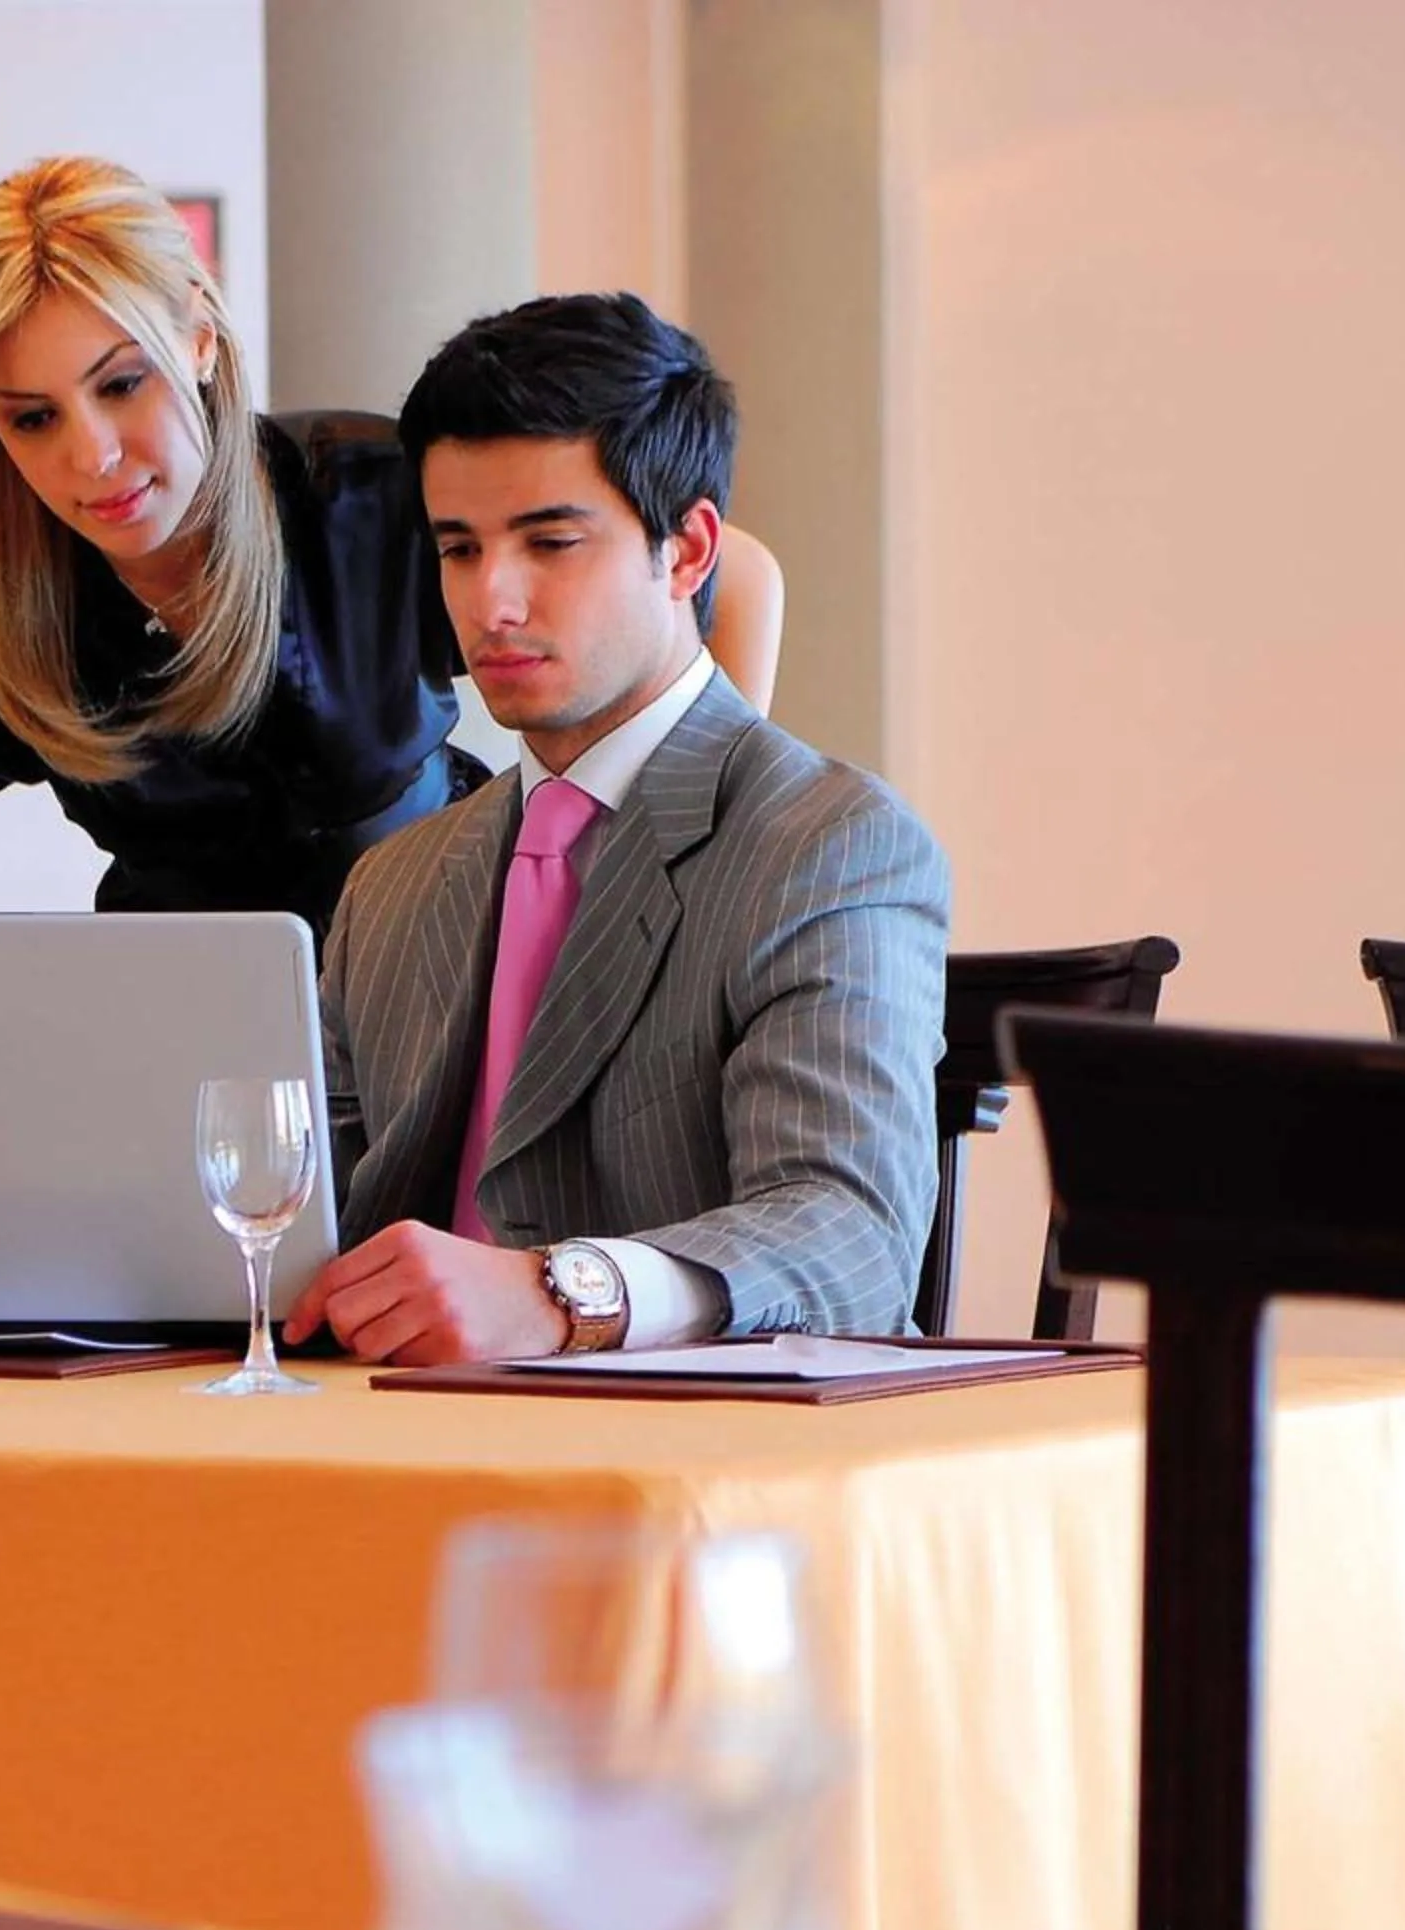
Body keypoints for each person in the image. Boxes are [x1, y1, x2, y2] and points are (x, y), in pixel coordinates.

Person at [0, 156, 785, 934]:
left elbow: (735, 575)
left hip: (446, 1005)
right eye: (31, 419)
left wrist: (682, 873)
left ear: (197, 338)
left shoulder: (363, 496)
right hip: (182, 1045)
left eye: (122, 383)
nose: (92, 457)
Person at [287, 294, 946, 1367]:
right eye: (458, 549)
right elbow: (305, 1231)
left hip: (693, 1480)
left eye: (550, 542)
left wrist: (561, 1295)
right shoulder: (393, 886)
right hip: (385, 1454)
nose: (491, 600)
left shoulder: (829, 842)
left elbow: (851, 1234)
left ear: (688, 553)